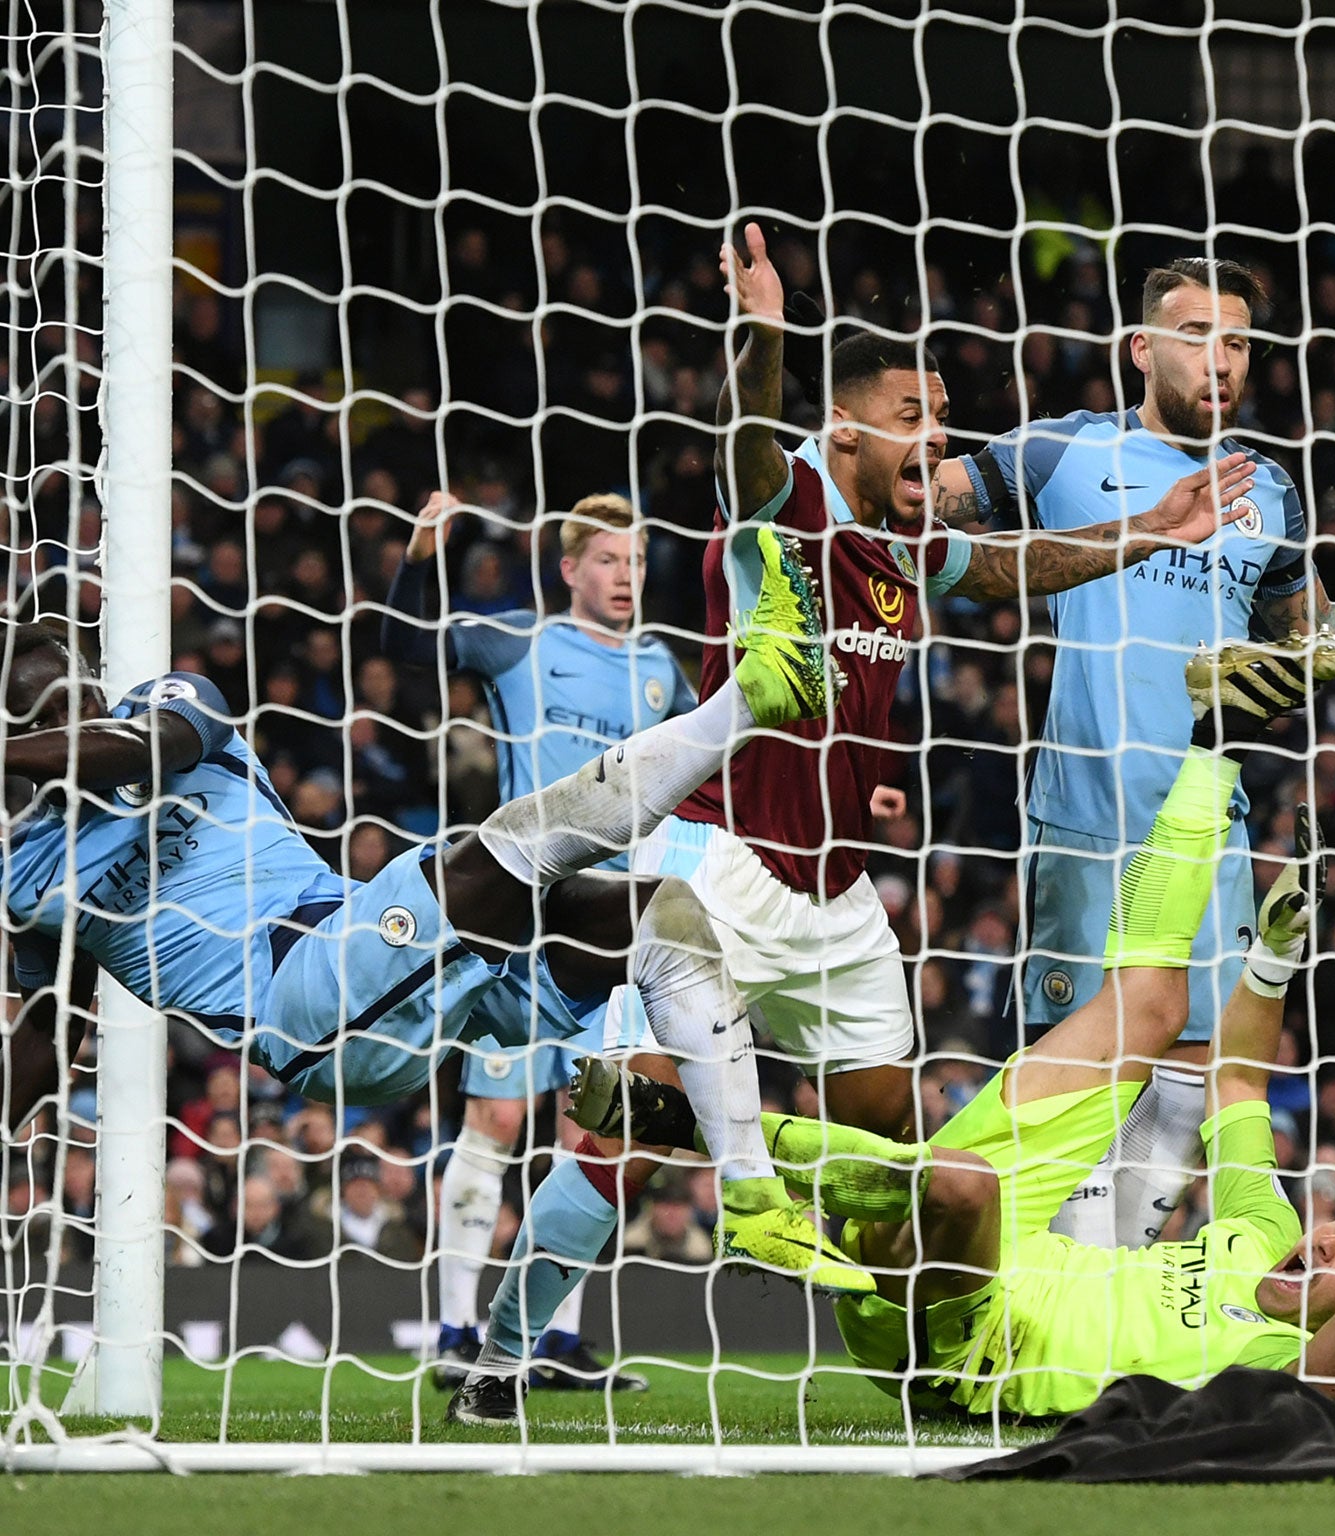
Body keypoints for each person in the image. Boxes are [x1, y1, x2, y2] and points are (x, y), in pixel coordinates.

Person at [442, 223, 1265, 1425]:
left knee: (896, 1144)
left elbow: (1004, 568)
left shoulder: (911, 538)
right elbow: (741, 442)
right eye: (909, 413)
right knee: (631, 1114)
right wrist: (764, 333)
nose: (935, 433)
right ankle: (504, 1357)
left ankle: (931, 1360)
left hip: (836, 902)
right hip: (718, 871)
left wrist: (1152, 529)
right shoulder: (788, 503)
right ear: (844, 427)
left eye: (938, 412)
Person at [572, 634, 1335, 1418]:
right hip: (1000, 1242)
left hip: (959, 1346)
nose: (1328, 1238)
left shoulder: (1282, 1368)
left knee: (963, 1187)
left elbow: (1330, 1389)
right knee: (1153, 1011)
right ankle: (1216, 744)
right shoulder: (1260, 1228)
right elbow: (1238, 1079)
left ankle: (709, 1137)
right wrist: (1272, 962)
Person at [2, 528, 865, 1337]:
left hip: (368, 951)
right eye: (40, 697)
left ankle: (750, 1198)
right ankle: (755, 695)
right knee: (496, 858)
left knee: (656, 912)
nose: (70, 697)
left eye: (72, 676)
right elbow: (51, 1022)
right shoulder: (25, 876)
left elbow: (143, 747)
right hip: (300, 1008)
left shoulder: (171, 704)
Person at [928, 256, 1335, 1247]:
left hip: (1207, 827)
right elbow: (926, 506)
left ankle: (1105, 1286)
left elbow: (1308, 629)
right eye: (1196, 334)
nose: (1222, 358)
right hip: (1089, 816)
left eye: (1239, 339)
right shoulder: (1064, 452)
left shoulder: (1269, 492)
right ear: (1140, 347)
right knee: (1075, 1070)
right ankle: (1019, 1278)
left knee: (1193, 1072)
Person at [384, 489, 693, 1392]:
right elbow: (407, 649)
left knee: (597, 1126)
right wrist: (422, 556)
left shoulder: (660, 667)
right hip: (529, 910)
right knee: (495, 1116)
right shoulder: (520, 640)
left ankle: (556, 1340)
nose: (625, 575)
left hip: (621, 924)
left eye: (635, 560)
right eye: (607, 559)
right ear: (569, 570)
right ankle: (452, 1328)